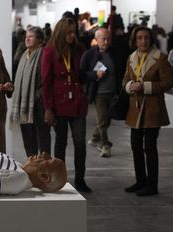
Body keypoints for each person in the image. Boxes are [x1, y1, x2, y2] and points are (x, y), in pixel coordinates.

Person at [122, 26, 173, 196]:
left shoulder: (160, 58)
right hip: (135, 109)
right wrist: (131, 86)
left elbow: (168, 82)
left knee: (150, 147)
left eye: (146, 37)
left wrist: (145, 86)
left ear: (150, 39)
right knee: (135, 145)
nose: (143, 41)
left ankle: (152, 185)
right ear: (135, 40)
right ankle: (140, 181)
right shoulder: (131, 58)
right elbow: (125, 80)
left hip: (153, 109)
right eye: (139, 38)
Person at [41, 18, 91, 192]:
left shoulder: (79, 49)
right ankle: (59, 179)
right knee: (60, 143)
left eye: (74, 32)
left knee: (80, 142)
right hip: (59, 103)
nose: (72, 35)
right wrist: (48, 108)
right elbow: (46, 82)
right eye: (69, 32)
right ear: (61, 32)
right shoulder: (49, 51)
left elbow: (83, 73)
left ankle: (80, 179)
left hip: (77, 103)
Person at [80, 28, 126, 157]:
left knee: (106, 120)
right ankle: (105, 145)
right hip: (99, 94)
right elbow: (82, 74)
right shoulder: (89, 55)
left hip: (113, 93)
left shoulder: (115, 53)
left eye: (108, 39)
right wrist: (95, 74)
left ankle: (95, 138)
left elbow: (121, 70)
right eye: (103, 39)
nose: (106, 42)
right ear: (96, 40)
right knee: (102, 120)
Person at [10, 27, 51, 157]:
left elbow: (47, 78)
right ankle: (32, 162)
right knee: (28, 135)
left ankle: (44, 165)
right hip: (24, 102)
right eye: (26, 36)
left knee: (42, 135)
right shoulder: (24, 55)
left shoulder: (43, 54)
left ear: (39, 40)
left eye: (31, 36)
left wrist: (38, 95)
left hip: (39, 102)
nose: (27, 38)